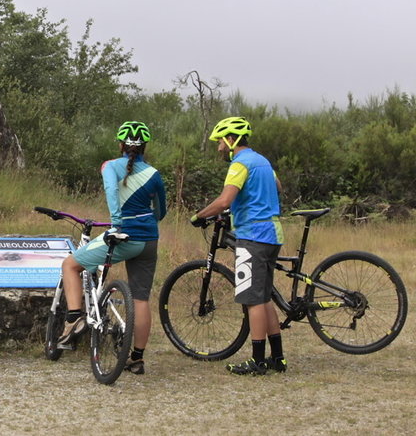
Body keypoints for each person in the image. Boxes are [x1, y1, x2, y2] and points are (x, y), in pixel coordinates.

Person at [57, 121, 167, 375]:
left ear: (120, 144)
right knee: (141, 299)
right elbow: (161, 211)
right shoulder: (154, 174)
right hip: (149, 240)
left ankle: (74, 318)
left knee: (70, 265)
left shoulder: (110, 167)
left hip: (123, 236)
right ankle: (137, 359)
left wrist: (117, 223)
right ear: (144, 147)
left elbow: (111, 192)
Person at [190, 116, 287, 375]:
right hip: (272, 233)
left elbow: (224, 201)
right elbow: (277, 187)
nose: (219, 148)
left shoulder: (240, 163)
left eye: (221, 142)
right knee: (264, 297)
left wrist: (199, 215)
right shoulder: (263, 161)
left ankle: (257, 361)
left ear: (231, 140)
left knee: (253, 301)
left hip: (251, 235)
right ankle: (278, 357)